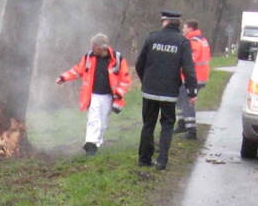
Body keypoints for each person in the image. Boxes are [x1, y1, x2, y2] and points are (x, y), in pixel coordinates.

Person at [134, 10, 197, 170]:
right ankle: (162, 161)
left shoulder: (152, 38)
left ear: (164, 22)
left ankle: (144, 159)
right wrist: (191, 92)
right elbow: (188, 69)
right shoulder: (183, 42)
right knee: (167, 126)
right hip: (169, 92)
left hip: (149, 90)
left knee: (148, 124)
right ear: (178, 24)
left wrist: (145, 81)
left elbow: (139, 64)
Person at [56, 33, 131, 155]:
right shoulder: (88, 57)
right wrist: (63, 77)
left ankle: (96, 144)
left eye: (94, 46)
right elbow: (77, 70)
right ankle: (90, 144)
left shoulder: (117, 59)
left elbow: (125, 80)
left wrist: (118, 94)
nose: (91, 48)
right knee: (93, 120)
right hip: (92, 95)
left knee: (102, 123)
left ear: (102, 47)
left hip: (109, 96)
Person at [175, 19, 211, 139]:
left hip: (193, 77)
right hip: (199, 76)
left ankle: (191, 130)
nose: (183, 30)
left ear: (190, 28)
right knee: (180, 98)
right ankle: (181, 124)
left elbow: (189, 60)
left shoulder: (193, 42)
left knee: (187, 101)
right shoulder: (202, 39)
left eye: (184, 27)